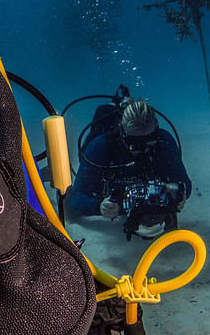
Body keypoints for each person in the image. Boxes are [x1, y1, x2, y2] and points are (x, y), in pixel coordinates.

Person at [70, 97, 192, 239]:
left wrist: (180, 193)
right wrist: (98, 207)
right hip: (109, 197)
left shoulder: (164, 142)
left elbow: (184, 182)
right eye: (134, 143)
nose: (142, 149)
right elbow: (76, 199)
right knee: (70, 209)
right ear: (121, 133)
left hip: (144, 198)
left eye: (149, 140)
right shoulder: (100, 147)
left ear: (156, 131)